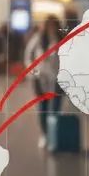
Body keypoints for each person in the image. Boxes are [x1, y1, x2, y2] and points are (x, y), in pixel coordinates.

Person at [24, 16, 63, 146]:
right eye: (49, 25)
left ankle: (54, 135)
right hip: (40, 78)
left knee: (55, 108)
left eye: (54, 25)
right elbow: (28, 55)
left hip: (57, 78)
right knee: (43, 108)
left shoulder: (62, 39)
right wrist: (33, 72)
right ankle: (45, 134)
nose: (51, 28)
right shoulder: (38, 38)